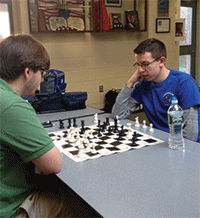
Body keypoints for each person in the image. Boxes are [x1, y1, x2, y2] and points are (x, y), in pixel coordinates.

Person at [0, 35, 99, 218]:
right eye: (42, 73)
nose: (43, 80)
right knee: (89, 206)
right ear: (28, 72)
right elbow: (53, 164)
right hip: (10, 210)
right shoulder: (11, 105)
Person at [112, 38, 200, 142]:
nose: (140, 70)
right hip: (157, 140)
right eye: (138, 65)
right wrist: (130, 82)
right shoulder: (143, 85)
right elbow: (118, 114)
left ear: (162, 61)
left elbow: (191, 132)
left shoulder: (185, 83)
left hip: (181, 145)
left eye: (145, 64)